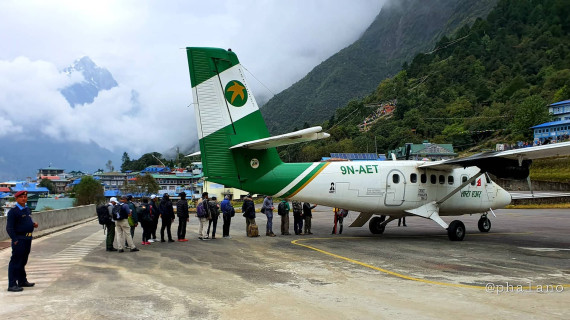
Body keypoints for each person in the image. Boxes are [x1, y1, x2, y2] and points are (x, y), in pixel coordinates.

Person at [6, 191, 38, 292]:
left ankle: (22, 280)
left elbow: (25, 222)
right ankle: (12, 284)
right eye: (21, 197)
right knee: (15, 261)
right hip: (19, 239)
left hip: (28, 239)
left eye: (25, 197)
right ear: (17, 199)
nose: (23, 198)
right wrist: (15, 240)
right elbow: (9, 228)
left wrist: (32, 224)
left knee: (23, 261)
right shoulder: (13, 212)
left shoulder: (27, 209)